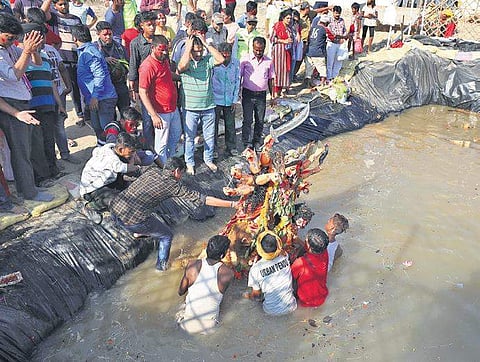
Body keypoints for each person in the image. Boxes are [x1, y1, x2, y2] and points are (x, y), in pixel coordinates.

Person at [109, 157, 240, 271]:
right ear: (176, 171)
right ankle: (161, 267)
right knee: (166, 235)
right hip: (132, 221)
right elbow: (204, 199)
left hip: (114, 209)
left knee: (148, 206)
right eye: (181, 174)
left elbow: (133, 171)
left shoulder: (152, 170)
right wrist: (232, 204)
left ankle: (139, 232)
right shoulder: (172, 186)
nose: (181, 177)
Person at [0, 13, 54, 202]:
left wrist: (32, 48)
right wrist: (25, 51)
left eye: (16, 38)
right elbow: (14, 75)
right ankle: (29, 192)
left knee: (28, 147)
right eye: (9, 37)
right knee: (21, 151)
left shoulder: (9, 48)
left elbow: (36, 63)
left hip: (23, 101)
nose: (13, 41)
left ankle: (29, 188)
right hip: (11, 105)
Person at [20, 23, 66, 186]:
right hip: (31, 107)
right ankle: (41, 177)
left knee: (48, 139)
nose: (41, 41)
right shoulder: (19, 58)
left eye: (41, 38)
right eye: (37, 38)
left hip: (48, 104)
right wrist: (29, 50)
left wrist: (59, 103)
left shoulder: (44, 58)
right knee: (36, 143)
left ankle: (53, 170)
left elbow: (51, 82)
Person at [177, 34, 225, 176]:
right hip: (190, 108)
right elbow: (180, 67)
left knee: (209, 136)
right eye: (195, 51)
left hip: (208, 106)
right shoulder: (186, 63)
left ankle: (208, 159)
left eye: (200, 51)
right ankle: (190, 163)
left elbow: (221, 59)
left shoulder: (207, 60)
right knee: (189, 137)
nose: (198, 54)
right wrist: (188, 48)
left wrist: (206, 44)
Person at [177, 235, 234, 334]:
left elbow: (181, 292)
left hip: (186, 323)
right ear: (222, 255)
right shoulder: (228, 273)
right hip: (209, 327)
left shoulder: (192, 264)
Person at [138, 34, 182, 164]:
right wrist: (153, 115)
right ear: (153, 48)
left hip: (172, 108)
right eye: (161, 49)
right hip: (160, 111)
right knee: (161, 143)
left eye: (166, 50)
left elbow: (168, 76)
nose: (164, 52)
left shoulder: (164, 61)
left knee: (176, 134)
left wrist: (182, 78)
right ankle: (163, 169)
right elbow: (142, 92)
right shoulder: (147, 66)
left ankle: (171, 161)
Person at [72, 24, 118, 146]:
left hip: (102, 98)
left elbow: (100, 75)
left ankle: (111, 155)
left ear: (74, 38)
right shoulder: (86, 51)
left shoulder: (90, 52)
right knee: (98, 128)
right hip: (95, 98)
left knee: (107, 130)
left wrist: (95, 97)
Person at [80, 132, 140, 223]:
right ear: (120, 149)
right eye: (131, 152)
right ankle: (90, 207)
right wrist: (138, 167)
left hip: (105, 180)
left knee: (129, 186)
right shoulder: (113, 160)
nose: (133, 154)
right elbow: (129, 167)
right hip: (91, 189)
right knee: (118, 201)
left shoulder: (111, 147)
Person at [244, 230, 297, 315]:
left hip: (271, 311)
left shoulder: (255, 269)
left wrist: (247, 296)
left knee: (247, 296)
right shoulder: (284, 256)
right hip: (292, 307)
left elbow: (256, 296)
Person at [240, 36, 275, 150]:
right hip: (248, 94)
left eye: (261, 50)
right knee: (248, 119)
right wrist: (237, 92)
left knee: (260, 120)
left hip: (261, 95)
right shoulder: (245, 60)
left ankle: (257, 141)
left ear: (264, 48)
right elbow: (238, 76)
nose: (258, 52)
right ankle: (246, 142)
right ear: (252, 48)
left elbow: (271, 79)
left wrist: (273, 96)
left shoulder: (269, 62)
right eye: (256, 50)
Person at [127, 11, 156, 148]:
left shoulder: (159, 40)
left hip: (160, 85)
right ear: (141, 26)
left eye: (153, 24)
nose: (152, 27)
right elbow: (133, 64)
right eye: (149, 25)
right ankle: (149, 146)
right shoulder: (136, 43)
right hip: (145, 86)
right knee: (147, 118)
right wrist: (133, 87)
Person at [95, 21, 130, 117]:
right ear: (98, 34)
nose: (108, 37)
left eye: (110, 34)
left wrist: (119, 65)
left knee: (125, 112)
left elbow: (128, 63)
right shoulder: (94, 48)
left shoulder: (119, 47)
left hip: (120, 84)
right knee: (110, 116)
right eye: (105, 34)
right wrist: (104, 59)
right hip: (105, 87)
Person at [212, 42, 240, 157]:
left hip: (229, 100)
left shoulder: (236, 63)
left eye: (228, 55)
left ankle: (231, 147)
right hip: (215, 99)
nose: (226, 57)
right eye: (223, 55)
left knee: (230, 125)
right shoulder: (214, 63)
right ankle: (213, 149)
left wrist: (234, 100)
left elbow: (238, 82)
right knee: (213, 125)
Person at [291, 228, 329, 307]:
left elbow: (289, 277)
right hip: (322, 295)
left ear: (307, 245)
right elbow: (309, 250)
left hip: (306, 302)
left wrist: (292, 258)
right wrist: (299, 241)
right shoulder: (325, 252)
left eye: (306, 240)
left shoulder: (301, 263)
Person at [304, 14, 333, 88]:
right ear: (326, 23)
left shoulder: (312, 27)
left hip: (309, 52)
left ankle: (308, 85)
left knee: (308, 69)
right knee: (322, 69)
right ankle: (322, 84)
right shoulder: (325, 29)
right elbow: (332, 37)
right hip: (318, 52)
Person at [270, 8, 294, 98]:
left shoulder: (289, 28)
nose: (289, 20)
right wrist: (283, 41)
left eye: (290, 18)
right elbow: (272, 39)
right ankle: (275, 92)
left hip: (286, 53)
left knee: (284, 72)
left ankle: (280, 91)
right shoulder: (277, 26)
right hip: (278, 52)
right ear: (283, 18)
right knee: (277, 71)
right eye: (287, 18)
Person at [326, 5, 347, 81]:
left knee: (338, 61)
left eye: (339, 13)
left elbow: (344, 31)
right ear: (333, 12)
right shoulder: (329, 21)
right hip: (332, 43)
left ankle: (335, 77)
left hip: (340, 44)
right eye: (336, 13)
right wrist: (340, 38)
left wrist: (343, 38)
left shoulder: (342, 20)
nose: (337, 15)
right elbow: (330, 33)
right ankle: (329, 78)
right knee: (330, 62)